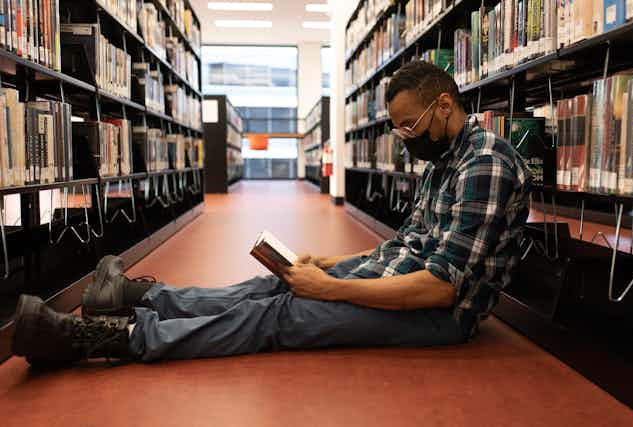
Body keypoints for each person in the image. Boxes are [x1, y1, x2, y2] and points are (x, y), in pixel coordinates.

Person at [11, 61, 532, 366]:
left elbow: (440, 287)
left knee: (281, 314)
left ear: (444, 106)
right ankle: (136, 298)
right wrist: (327, 263)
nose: (402, 139)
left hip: (439, 317)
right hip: (403, 281)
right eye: (395, 128)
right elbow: (408, 247)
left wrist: (330, 288)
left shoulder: (485, 165)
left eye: (407, 125)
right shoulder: (444, 158)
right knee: (275, 283)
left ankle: (110, 339)